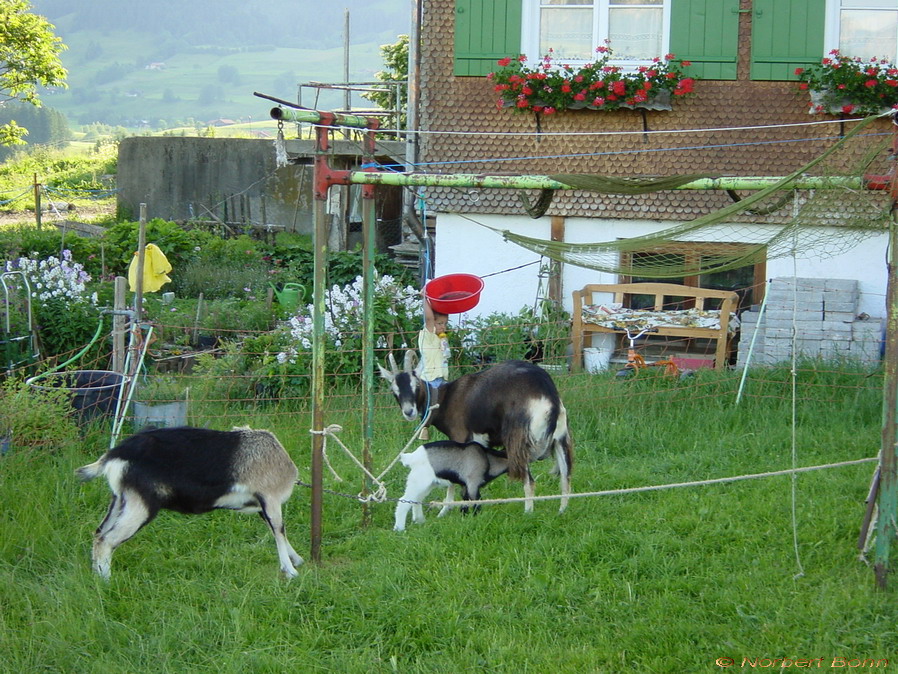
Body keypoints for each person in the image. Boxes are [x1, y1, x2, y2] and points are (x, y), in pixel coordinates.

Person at [417, 293, 451, 439]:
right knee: (430, 405)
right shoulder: (428, 335)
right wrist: (425, 298)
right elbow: (429, 318)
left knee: (445, 404)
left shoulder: (440, 338)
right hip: (430, 377)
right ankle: (423, 428)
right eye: (440, 323)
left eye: (445, 323)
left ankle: (445, 428)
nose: (443, 327)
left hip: (441, 377)